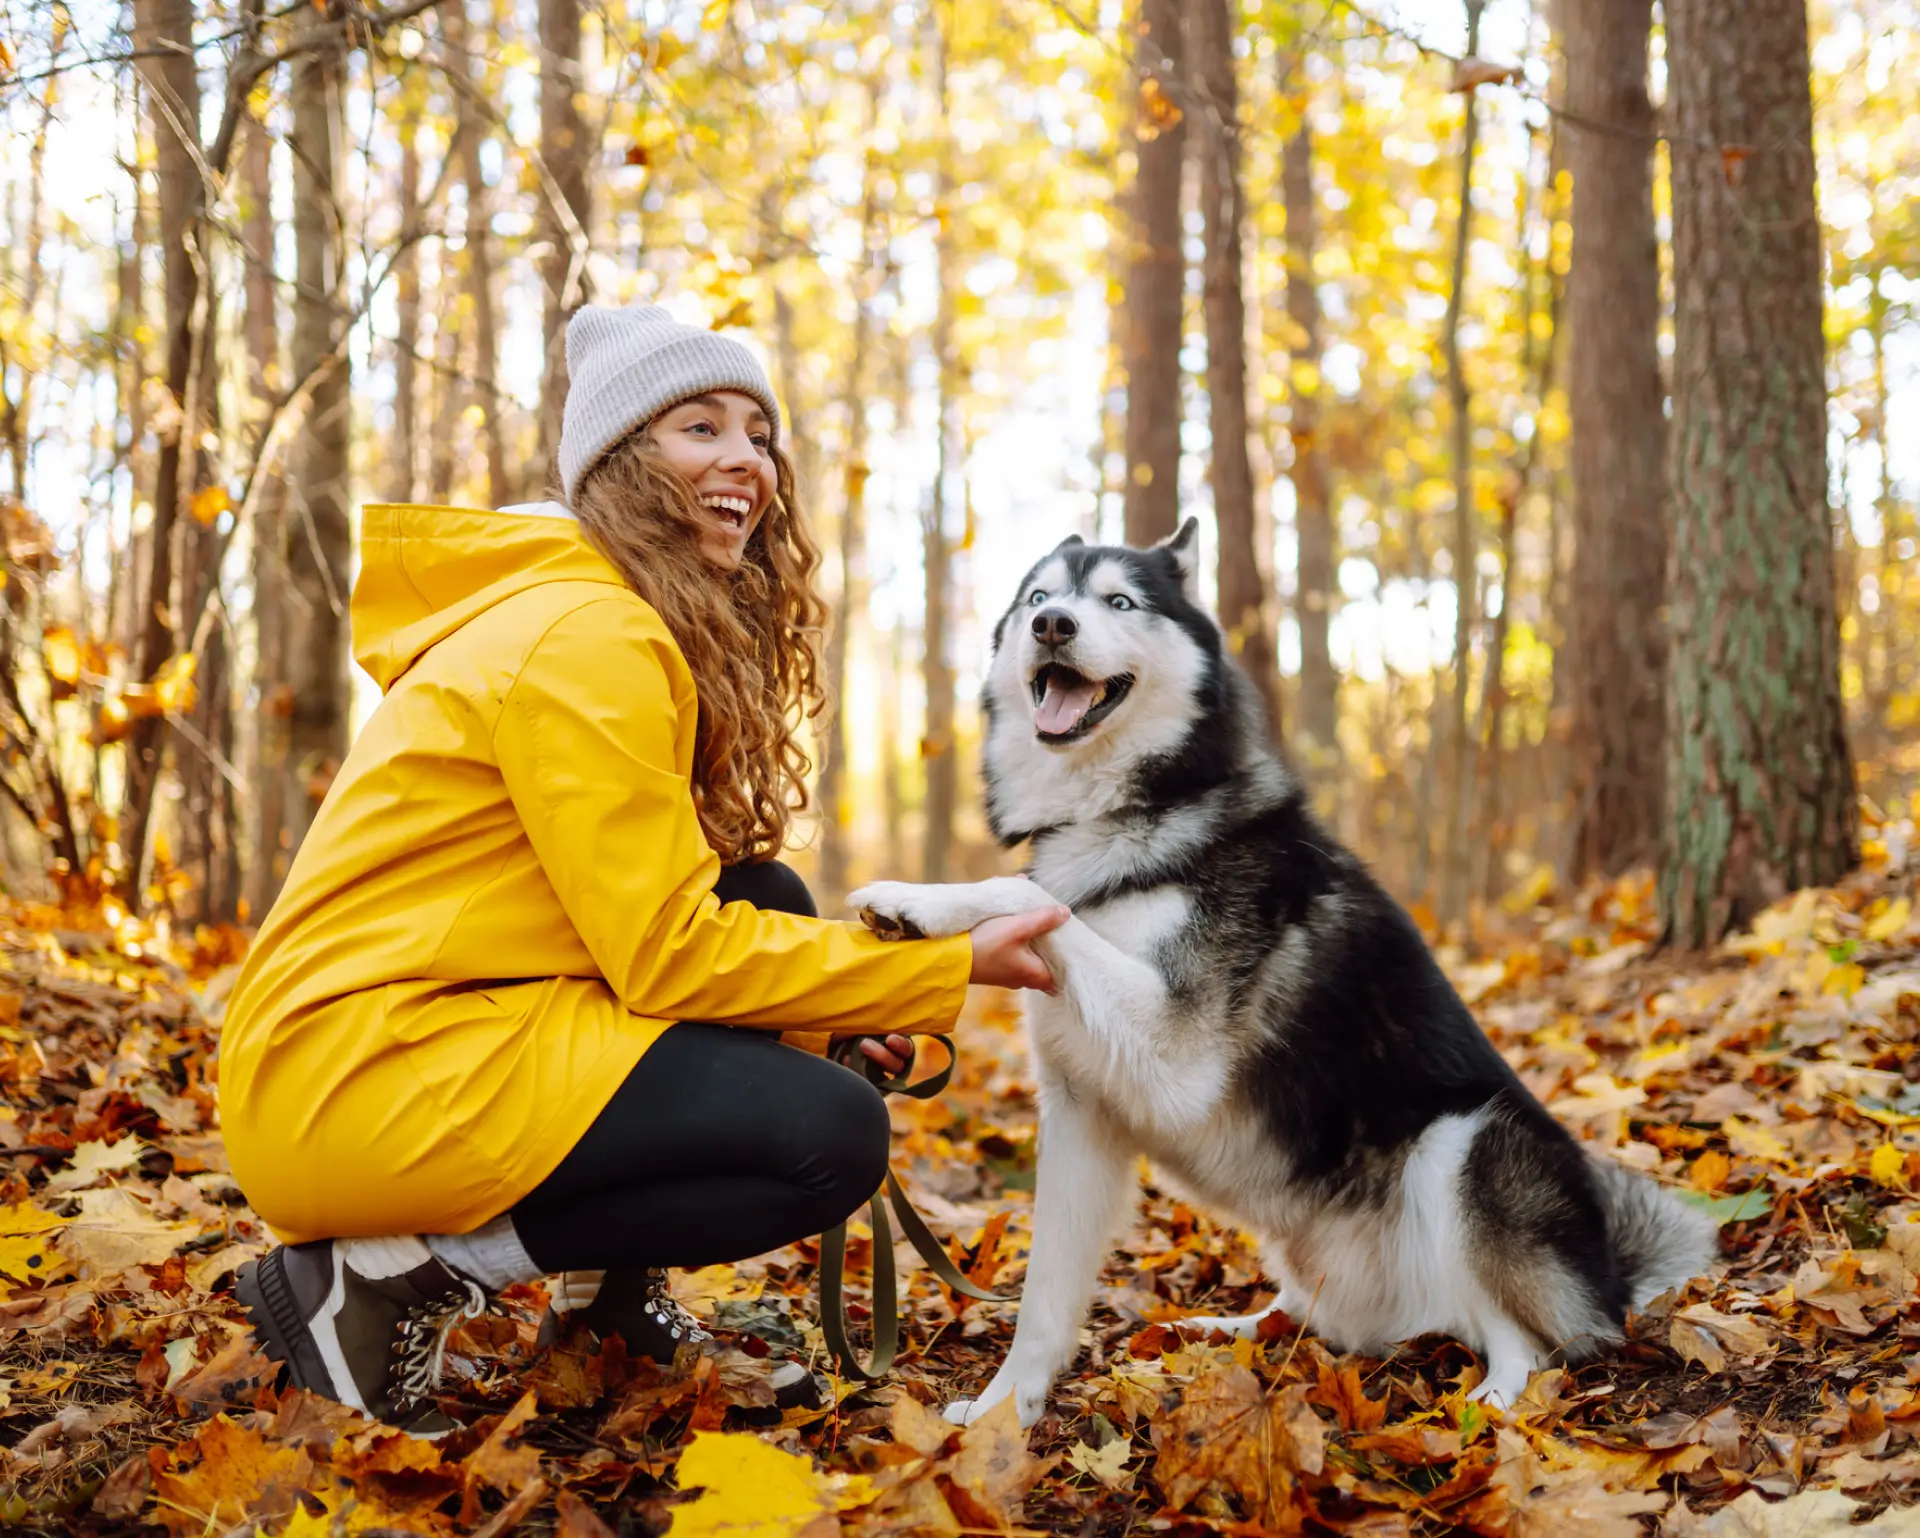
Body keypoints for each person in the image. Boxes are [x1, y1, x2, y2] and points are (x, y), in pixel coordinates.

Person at [227, 304, 1068, 1433]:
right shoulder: (591, 635)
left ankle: (607, 1310)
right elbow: (666, 952)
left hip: (404, 1037)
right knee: (828, 1139)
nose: (746, 460)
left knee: (758, 888)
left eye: (759, 432)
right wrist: (939, 970)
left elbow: (659, 915)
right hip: (357, 1073)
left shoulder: (596, 612)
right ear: (622, 464)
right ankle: (395, 1274)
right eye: (700, 427)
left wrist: (830, 1008)